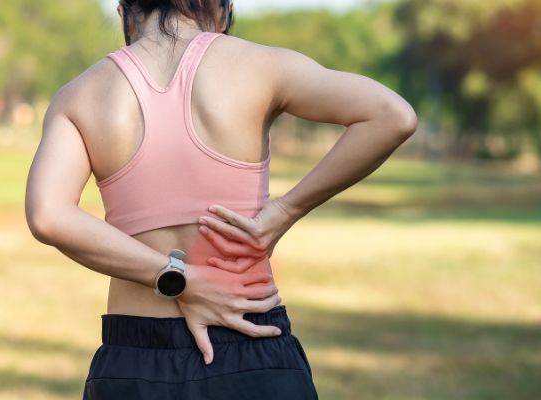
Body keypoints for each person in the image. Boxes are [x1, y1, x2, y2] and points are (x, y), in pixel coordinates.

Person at [25, 0, 417, 398]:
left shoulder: (80, 95)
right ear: (222, 9)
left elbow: (49, 215)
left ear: (124, 11)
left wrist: (175, 279)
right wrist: (285, 211)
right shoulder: (262, 66)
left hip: (132, 360)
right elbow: (391, 115)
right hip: (250, 343)